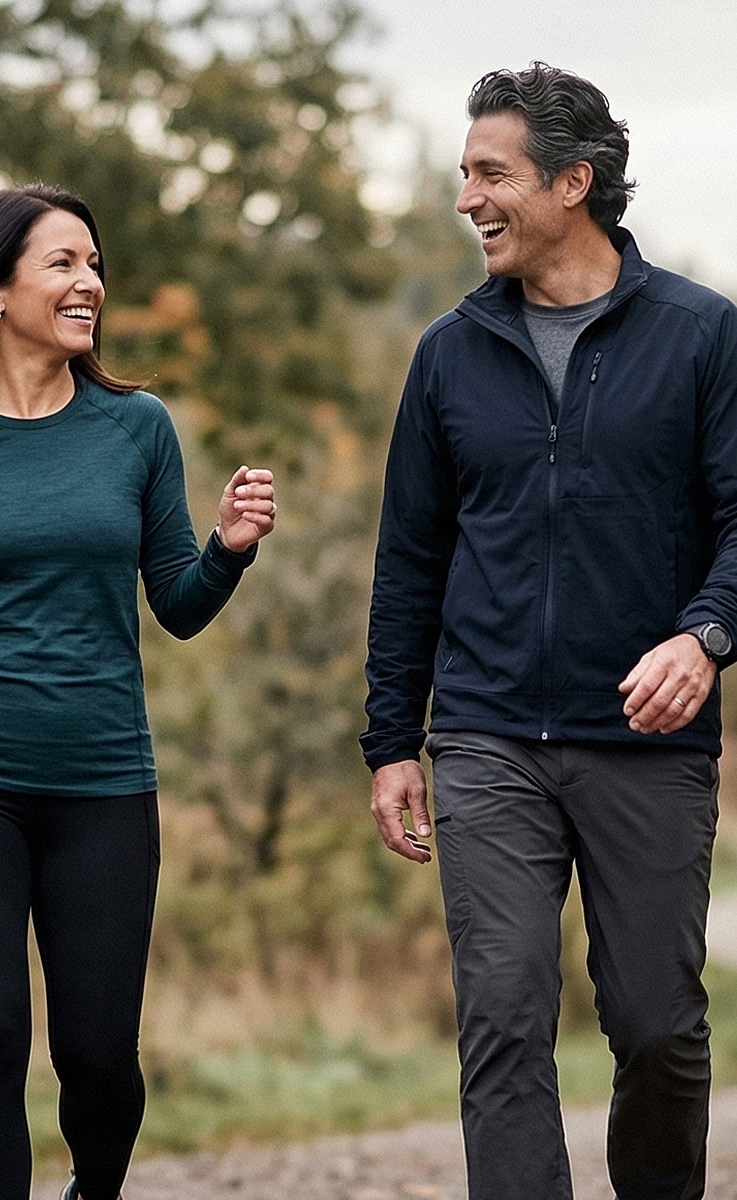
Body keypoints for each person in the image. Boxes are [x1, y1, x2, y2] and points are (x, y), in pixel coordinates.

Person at [0, 183, 276, 1200]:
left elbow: (176, 603)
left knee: (101, 1063)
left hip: (103, 785)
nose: (91, 284)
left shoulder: (137, 428)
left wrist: (229, 551)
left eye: (95, 265)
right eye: (64, 264)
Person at [361, 62, 737, 1200]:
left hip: (648, 743)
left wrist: (707, 634)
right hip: (484, 740)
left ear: (574, 182)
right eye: (463, 174)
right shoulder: (448, 354)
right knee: (505, 1022)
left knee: (658, 1027)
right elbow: (410, 560)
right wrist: (390, 741)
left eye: (492, 174)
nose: (467, 198)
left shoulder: (702, 336)